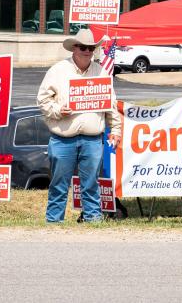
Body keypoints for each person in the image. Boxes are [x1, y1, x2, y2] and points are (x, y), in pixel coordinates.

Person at [37, 28, 122, 223]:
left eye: (91, 48)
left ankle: (93, 219)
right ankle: (54, 221)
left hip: (93, 139)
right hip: (62, 139)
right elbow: (42, 100)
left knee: (91, 183)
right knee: (59, 184)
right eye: (83, 47)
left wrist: (115, 130)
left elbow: (111, 104)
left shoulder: (101, 71)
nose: (87, 51)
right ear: (74, 48)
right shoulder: (58, 70)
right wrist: (58, 110)